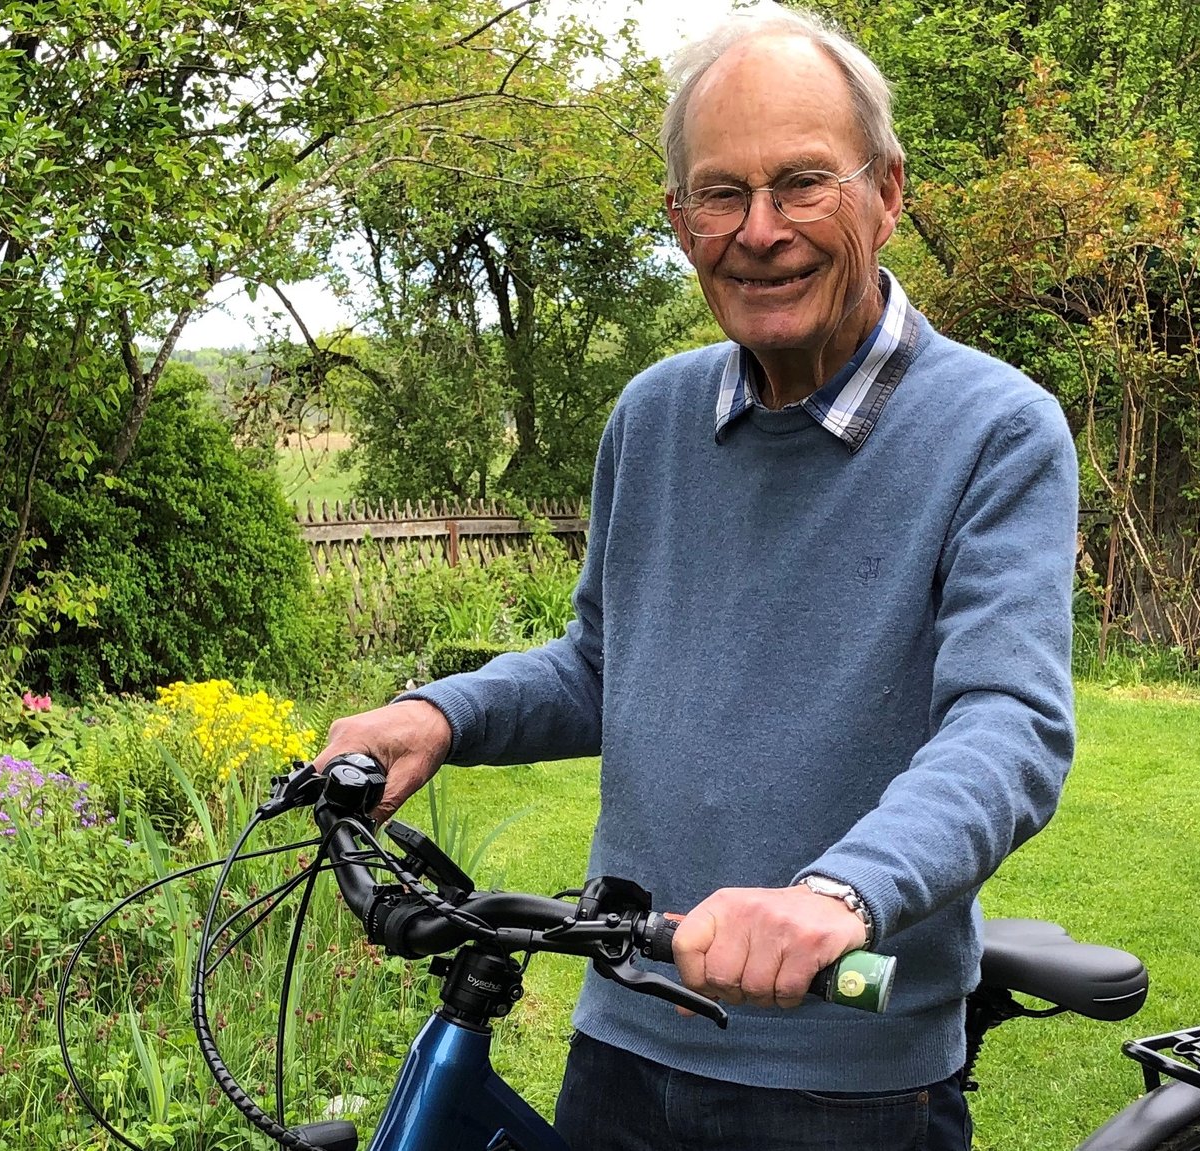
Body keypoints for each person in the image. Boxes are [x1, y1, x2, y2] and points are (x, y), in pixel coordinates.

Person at [310, 6, 1078, 1149]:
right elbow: (603, 665)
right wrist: (439, 712)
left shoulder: (995, 429)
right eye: (720, 194)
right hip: (622, 1039)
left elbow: (1006, 724)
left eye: (802, 183)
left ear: (889, 191)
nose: (758, 231)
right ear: (678, 221)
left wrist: (835, 895)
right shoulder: (653, 415)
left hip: (843, 1073)